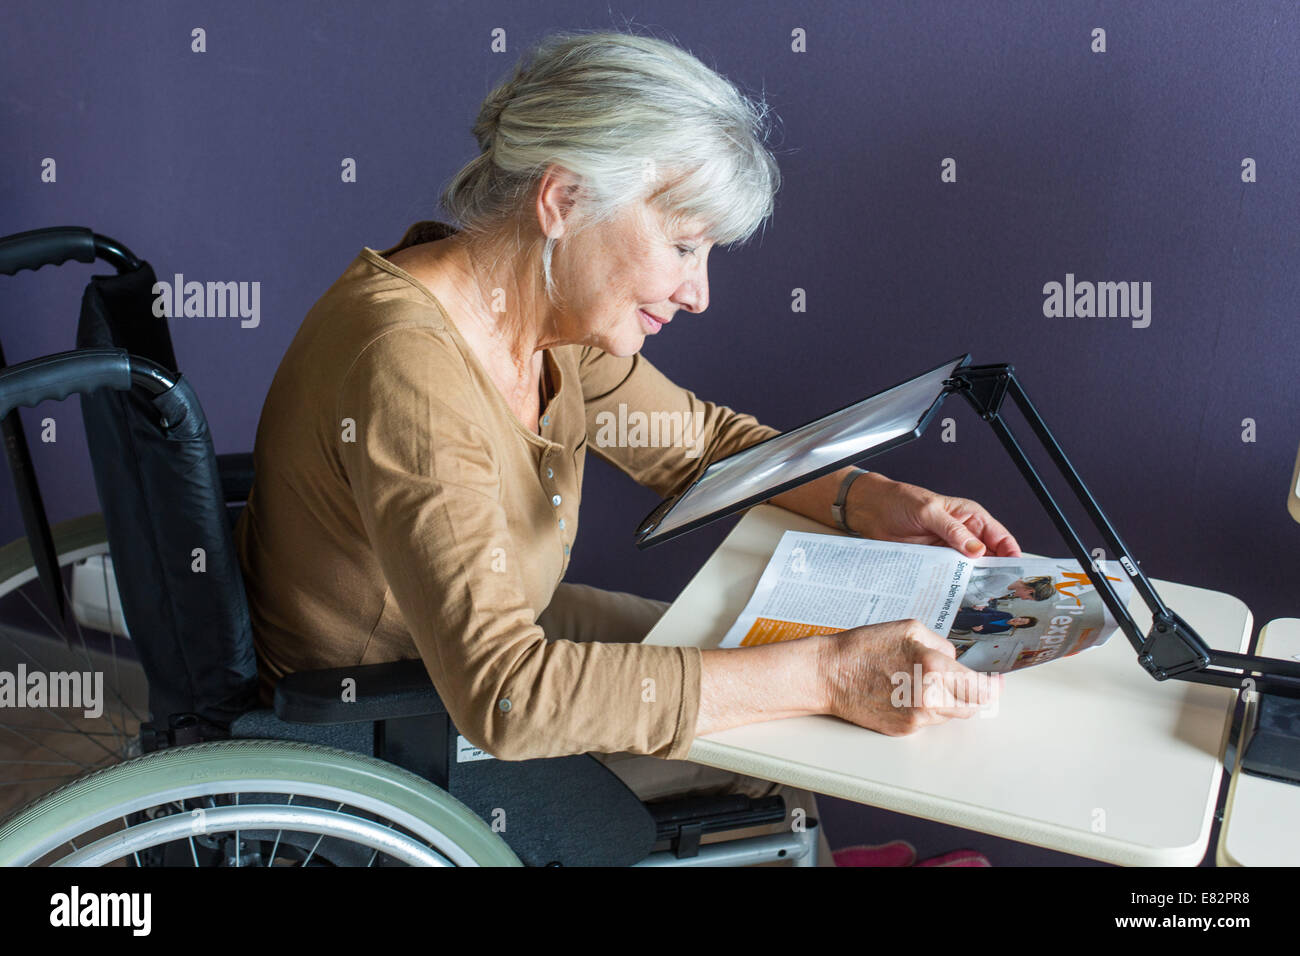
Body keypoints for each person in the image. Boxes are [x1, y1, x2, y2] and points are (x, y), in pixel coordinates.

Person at [233, 29, 1021, 866]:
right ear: (564, 200)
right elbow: (508, 694)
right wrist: (828, 672)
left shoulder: (542, 319)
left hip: (479, 648)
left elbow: (706, 450)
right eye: (684, 247)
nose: (699, 293)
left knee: (765, 682)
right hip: (390, 718)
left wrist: (877, 499)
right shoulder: (412, 371)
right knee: (783, 713)